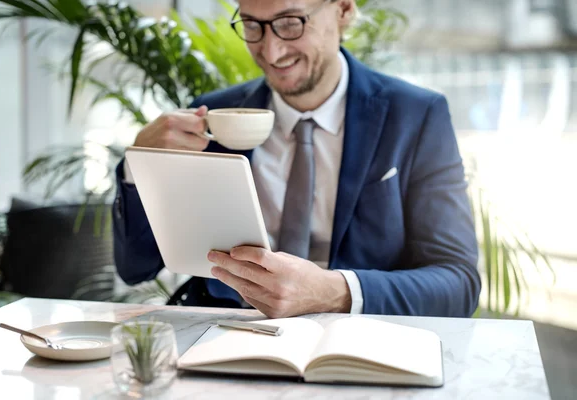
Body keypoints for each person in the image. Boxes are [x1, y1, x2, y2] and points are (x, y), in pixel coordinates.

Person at [113, 0, 481, 318]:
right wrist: (139, 165)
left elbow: (458, 282)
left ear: (344, 10)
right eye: (252, 26)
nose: (271, 53)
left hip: (358, 342)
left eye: (291, 23)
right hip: (224, 334)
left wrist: (334, 291)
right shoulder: (210, 118)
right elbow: (136, 267)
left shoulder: (416, 116)